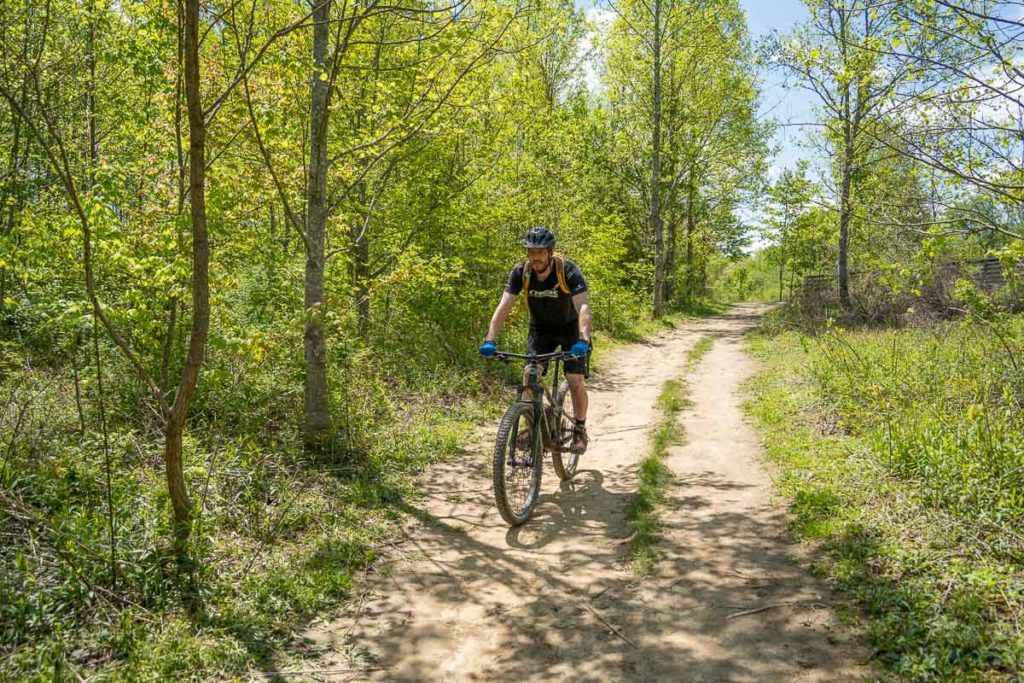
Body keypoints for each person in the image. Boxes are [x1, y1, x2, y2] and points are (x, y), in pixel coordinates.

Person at [480, 227, 592, 453]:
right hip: (541, 330)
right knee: (529, 376)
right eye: (531, 252)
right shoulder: (522, 273)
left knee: (575, 379)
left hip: (570, 330)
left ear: (549, 252)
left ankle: (580, 429)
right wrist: (490, 339)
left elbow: (583, 306)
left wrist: (584, 338)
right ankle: (533, 426)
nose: (535, 257)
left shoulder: (567, 271)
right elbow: (504, 305)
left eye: (540, 252)